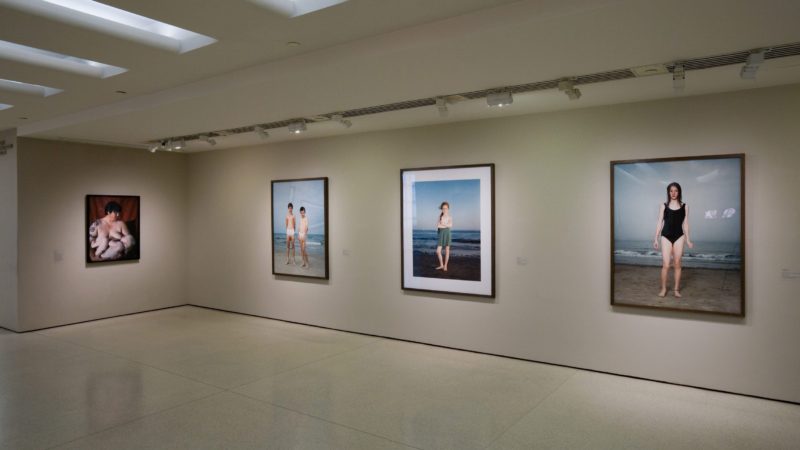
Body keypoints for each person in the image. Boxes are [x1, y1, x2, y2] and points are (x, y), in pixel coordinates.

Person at [653, 182, 694, 297]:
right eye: (671, 191)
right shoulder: (663, 206)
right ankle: (664, 289)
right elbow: (659, 222)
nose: (673, 193)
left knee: (677, 264)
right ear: (668, 192)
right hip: (665, 236)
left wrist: (688, 239)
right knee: (666, 264)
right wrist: (655, 238)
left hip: (679, 236)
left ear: (679, 192)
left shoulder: (685, 206)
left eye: (675, 190)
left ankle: (676, 289)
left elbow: (685, 224)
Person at [435, 201, 452, 272]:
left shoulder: (450, 217)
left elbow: (450, 225)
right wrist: (445, 224)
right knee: (438, 251)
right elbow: (438, 226)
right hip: (441, 234)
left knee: (447, 251)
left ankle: (445, 266)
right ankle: (441, 265)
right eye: (443, 208)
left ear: (448, 209)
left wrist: (443, 224)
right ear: (442, 209)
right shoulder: (440, 216)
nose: (444, 209)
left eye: (446, 208)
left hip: (447, 233)